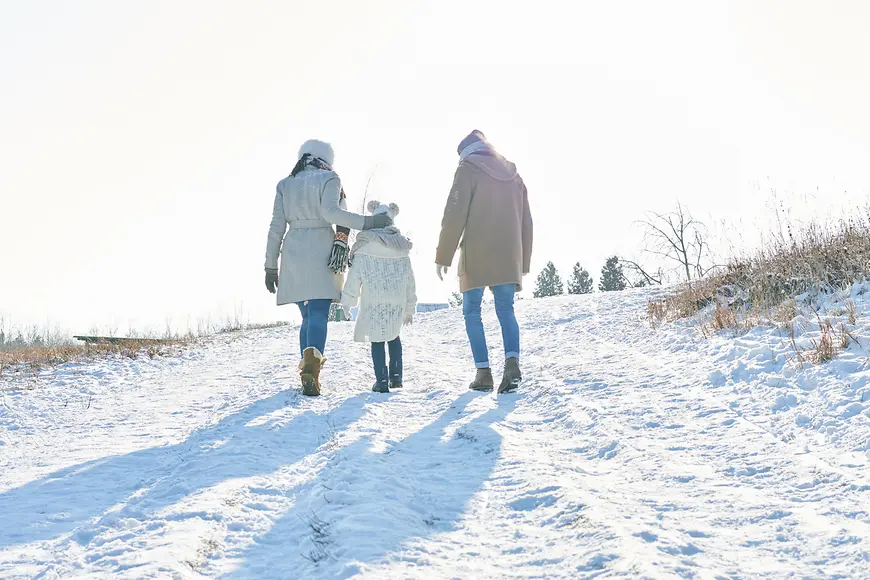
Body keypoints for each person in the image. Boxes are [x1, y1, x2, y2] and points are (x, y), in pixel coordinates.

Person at [264, 140, 392, 396]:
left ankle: (305, 371)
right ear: (327, 159)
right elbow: (332, 213)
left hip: (293, 250)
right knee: (320, 313)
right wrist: (370, 222)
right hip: (321, 247)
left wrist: (270, 266)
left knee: (306, 316)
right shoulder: (329, 179)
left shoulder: (285, 185)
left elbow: (276, 227)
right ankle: (312, 370)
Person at [435, 130, 533, 394]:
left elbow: (454, 212)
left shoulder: (467, 170)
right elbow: (526, 219)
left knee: (471, 311)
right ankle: (512, 364)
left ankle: (483, 372)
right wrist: (523, 260)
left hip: (476, 251)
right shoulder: (514, 174)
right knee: (505, 309)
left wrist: (443, 254)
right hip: (508, 252)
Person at [341, 201, 417, 393]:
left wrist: (348, 302)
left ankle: (381, 380)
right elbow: (410, 282)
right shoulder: (401, 247)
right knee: (394, 336)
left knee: (377, 339)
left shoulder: (365, 245)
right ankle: (397, 376)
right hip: (396, 300)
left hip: (373, 300)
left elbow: (354, 277)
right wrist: (409, 308)